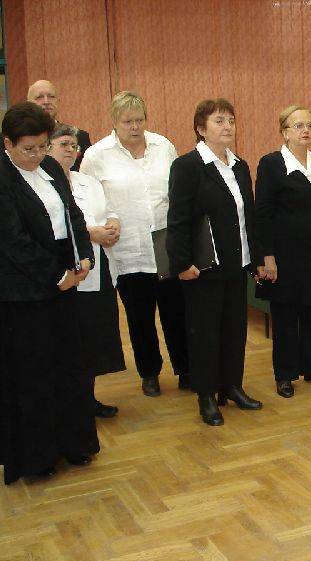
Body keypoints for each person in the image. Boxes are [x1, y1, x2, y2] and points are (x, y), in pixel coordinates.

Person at [0, 102, 99, 484]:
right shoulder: (3, 178)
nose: (37, 155)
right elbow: (13, 240)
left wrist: (84, 257)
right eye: (29, 149)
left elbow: (73, 214)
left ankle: (74, 443)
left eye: (43, 146)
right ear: (8, 144)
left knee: (69, 366)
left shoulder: (53, 169)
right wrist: (57, 275)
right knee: (34, 374)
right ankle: (38, 456)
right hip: (24, 291)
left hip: (64, 281)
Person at [81, 91, 190, 397]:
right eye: (127, 121)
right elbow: (87, 199)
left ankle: (186, 369)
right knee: (140, 318)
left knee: (176, 313)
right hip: (128, 250)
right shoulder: (96, 156)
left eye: (139, 120)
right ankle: (149, 372)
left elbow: (177, 191)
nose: (134, 127)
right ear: (114, 122)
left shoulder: (163, 146)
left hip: (166, 246)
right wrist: (100, 226)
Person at [167, 99, 262, 426]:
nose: (227, 127)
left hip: (237, 262)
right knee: (205, 333)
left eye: (231, 121)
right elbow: (178, 219)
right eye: (219, 121)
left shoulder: (240, 166)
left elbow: (248, 217)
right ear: (201, 128)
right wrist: (181, 263)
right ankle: (206, 395)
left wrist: (256, 258)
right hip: (203, 267)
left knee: (234, 330)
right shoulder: (188, 166)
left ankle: (231, 386)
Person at [255, 104, 311, 398]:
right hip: (285, 255)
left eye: (309, 125)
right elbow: (263, 214)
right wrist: (267, 256)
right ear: (284, 132)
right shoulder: (271, 164)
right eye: (298, 126)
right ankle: (284, 375)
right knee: (285, 316)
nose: (305, 130)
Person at [48, 123, 125, 419]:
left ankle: (87, 398)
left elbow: (108, 210)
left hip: (97, 270)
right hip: (66, 275)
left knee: (93, 339)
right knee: (69, 342)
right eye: (64, 144)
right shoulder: (43, 183)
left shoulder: (87, 181)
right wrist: (91, 232)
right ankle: (65, 404)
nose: (71, 150)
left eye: (74, 146)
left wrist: (113, 223)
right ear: (48, 147)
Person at [28, 80, 92, 170]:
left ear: (58, 101)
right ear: (29, 104)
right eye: (39, 97)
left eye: (51, 96)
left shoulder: (80, 137)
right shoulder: (19, 138)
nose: (46, 101)